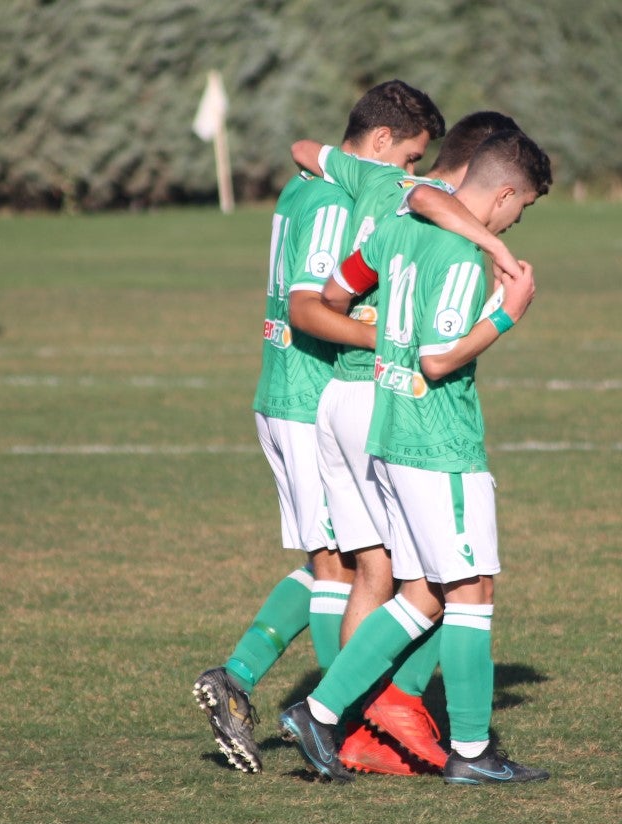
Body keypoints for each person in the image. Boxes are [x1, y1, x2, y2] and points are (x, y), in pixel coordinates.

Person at [279, 130, 554, 785]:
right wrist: (509, 314)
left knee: (425, 592)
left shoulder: (403, 219)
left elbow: (339, 289)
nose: (518, 221)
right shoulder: (459, 253)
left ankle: (320, 712)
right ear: (507, 193)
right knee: (471, 590)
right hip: (438, 440)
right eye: (524, 209)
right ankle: (470, 752)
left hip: (389, 429)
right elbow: (439, 358)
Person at [192, 80, 446, 774]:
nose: (412, 175)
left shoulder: (304, 185)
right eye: (413, 158)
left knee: (330, 559)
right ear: (383, 141)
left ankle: (241, 677)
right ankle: (347, 728)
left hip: (284, 391)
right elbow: (309, 305)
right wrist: (387, 342)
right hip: (308, 395)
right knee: (356, 566)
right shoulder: (337, 201)